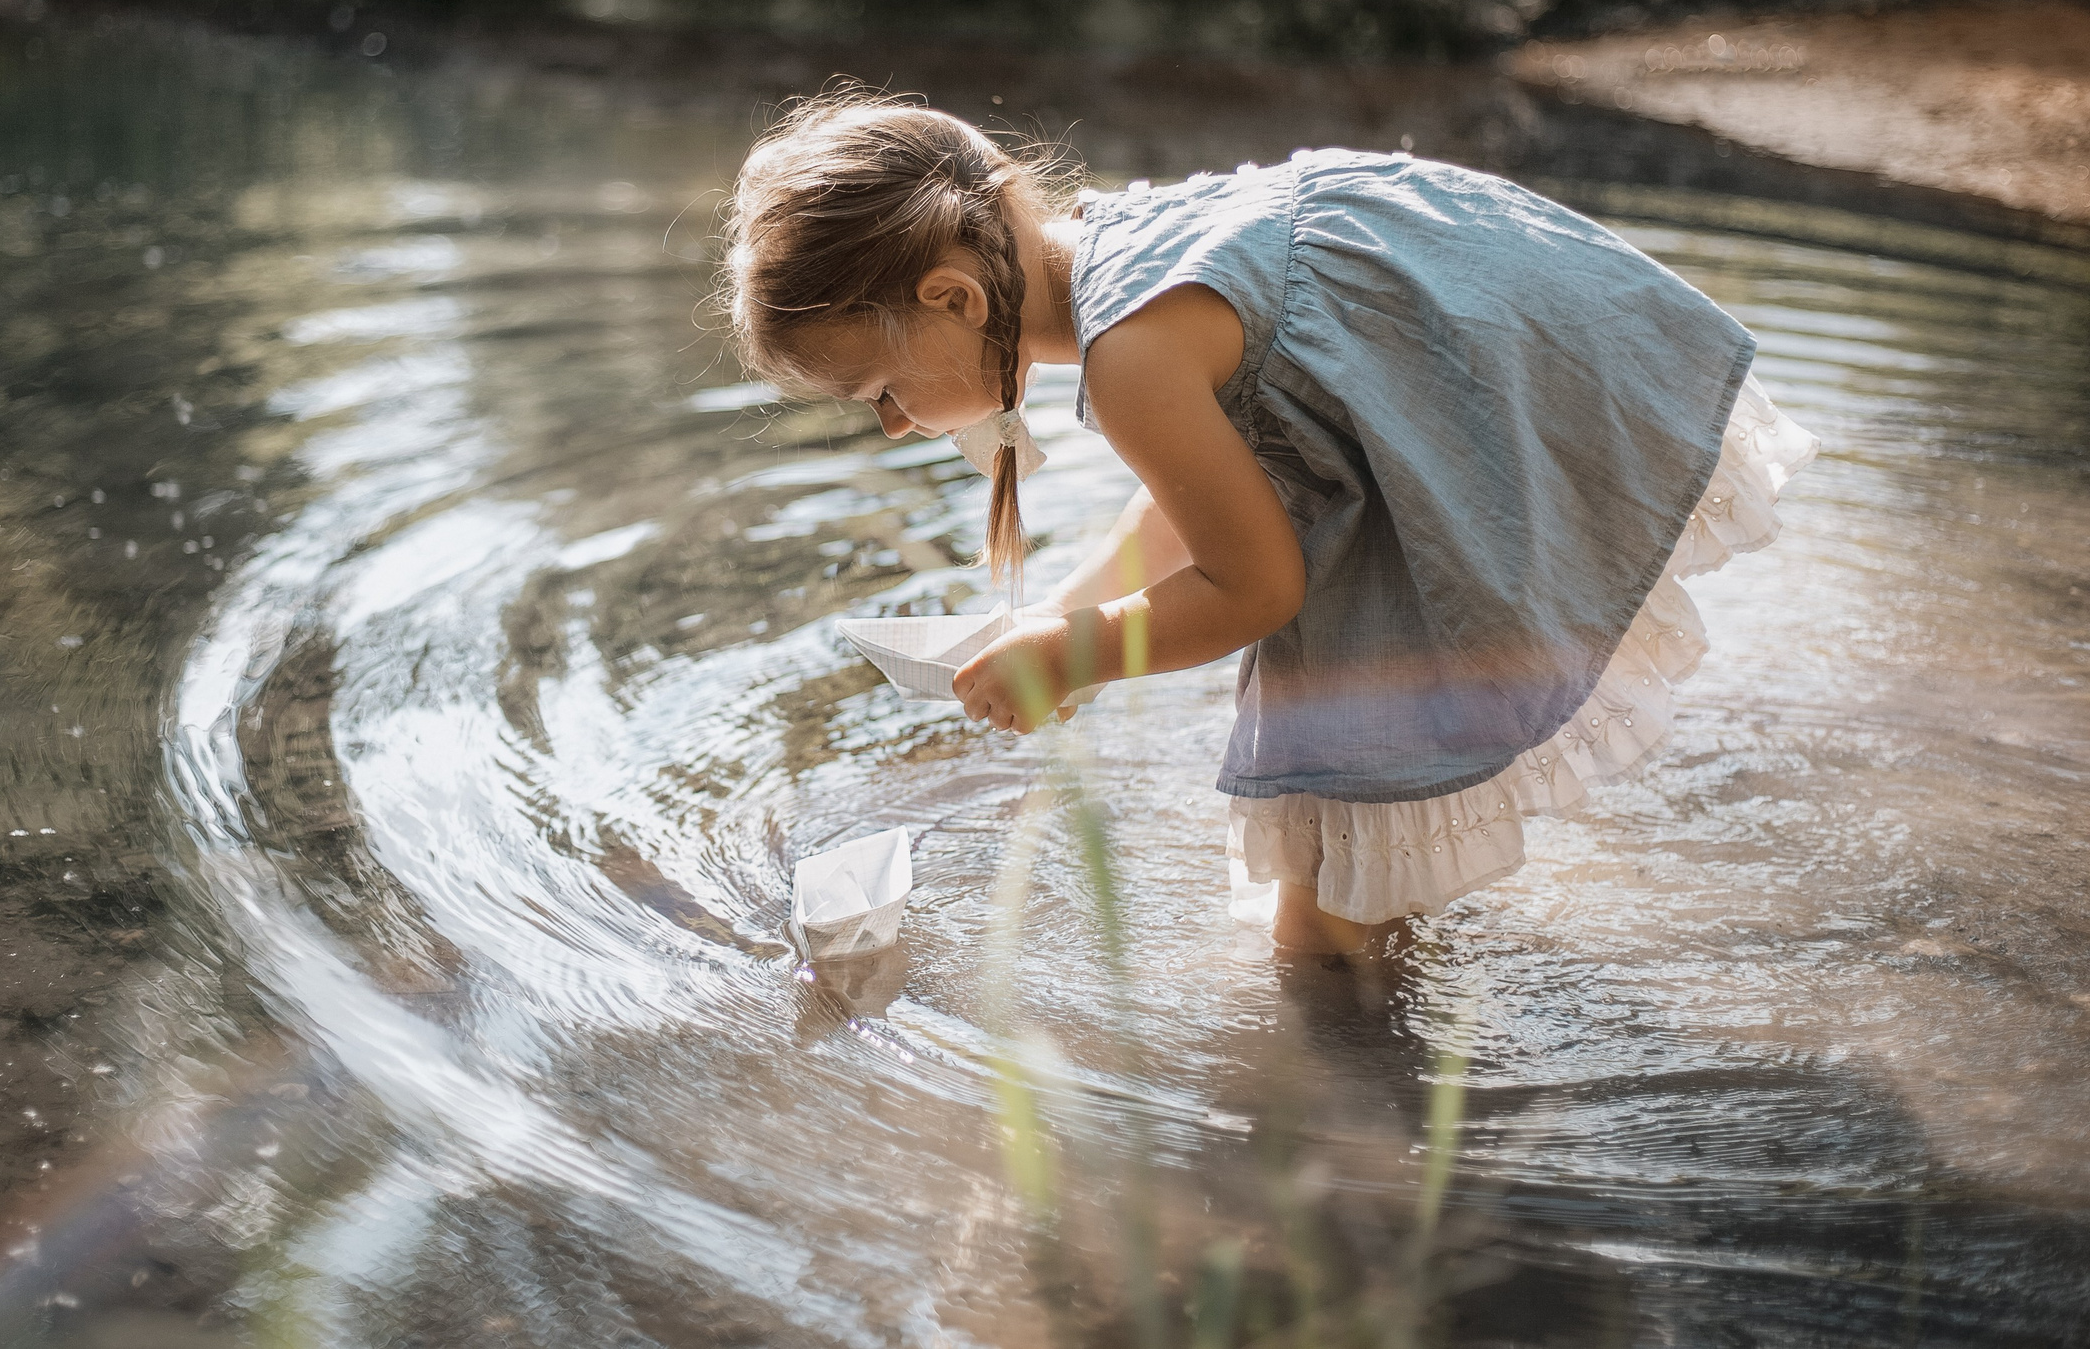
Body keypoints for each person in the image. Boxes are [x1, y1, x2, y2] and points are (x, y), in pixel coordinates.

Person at [719, 90, 1817, 954]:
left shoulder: (1131, 351)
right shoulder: (1116, 245)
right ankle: (1392, 982)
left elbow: (1256, 587)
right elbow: (1204, 489)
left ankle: (1357, 1168)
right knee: (1337, 885)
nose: (897, 429)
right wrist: (1068, 609)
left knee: (1316, 934)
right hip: (1524, 357)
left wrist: (1074, 656)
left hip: (1501, 407)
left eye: (881, 395)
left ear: (954, 300)